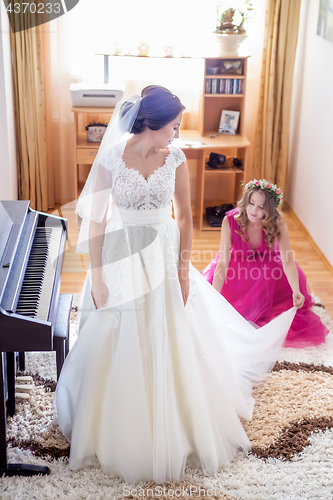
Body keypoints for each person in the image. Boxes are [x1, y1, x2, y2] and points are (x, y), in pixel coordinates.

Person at [54, 87, 296, 484]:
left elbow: (184, 218)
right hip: (121, 253)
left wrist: (184, 271)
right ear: (151, 124)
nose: (176, 135)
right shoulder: (111, 158)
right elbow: (94, 220)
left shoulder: (177, 159)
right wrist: (96, 276)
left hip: (163, 255)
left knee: (170, 333)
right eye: (173, 126)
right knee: (118, 334)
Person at [201, 179, 329, 348]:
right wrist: (214, 295)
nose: (254, 210)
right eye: (251, 203)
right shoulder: (230, 220)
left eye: (261, 207)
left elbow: (288, 261)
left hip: (268, 265)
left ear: (269, 209)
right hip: (238, 267)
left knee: (281, 286)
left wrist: (296, 290)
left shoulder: (278, 223)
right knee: (224, 302)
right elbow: (223, 262)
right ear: (246, 201)